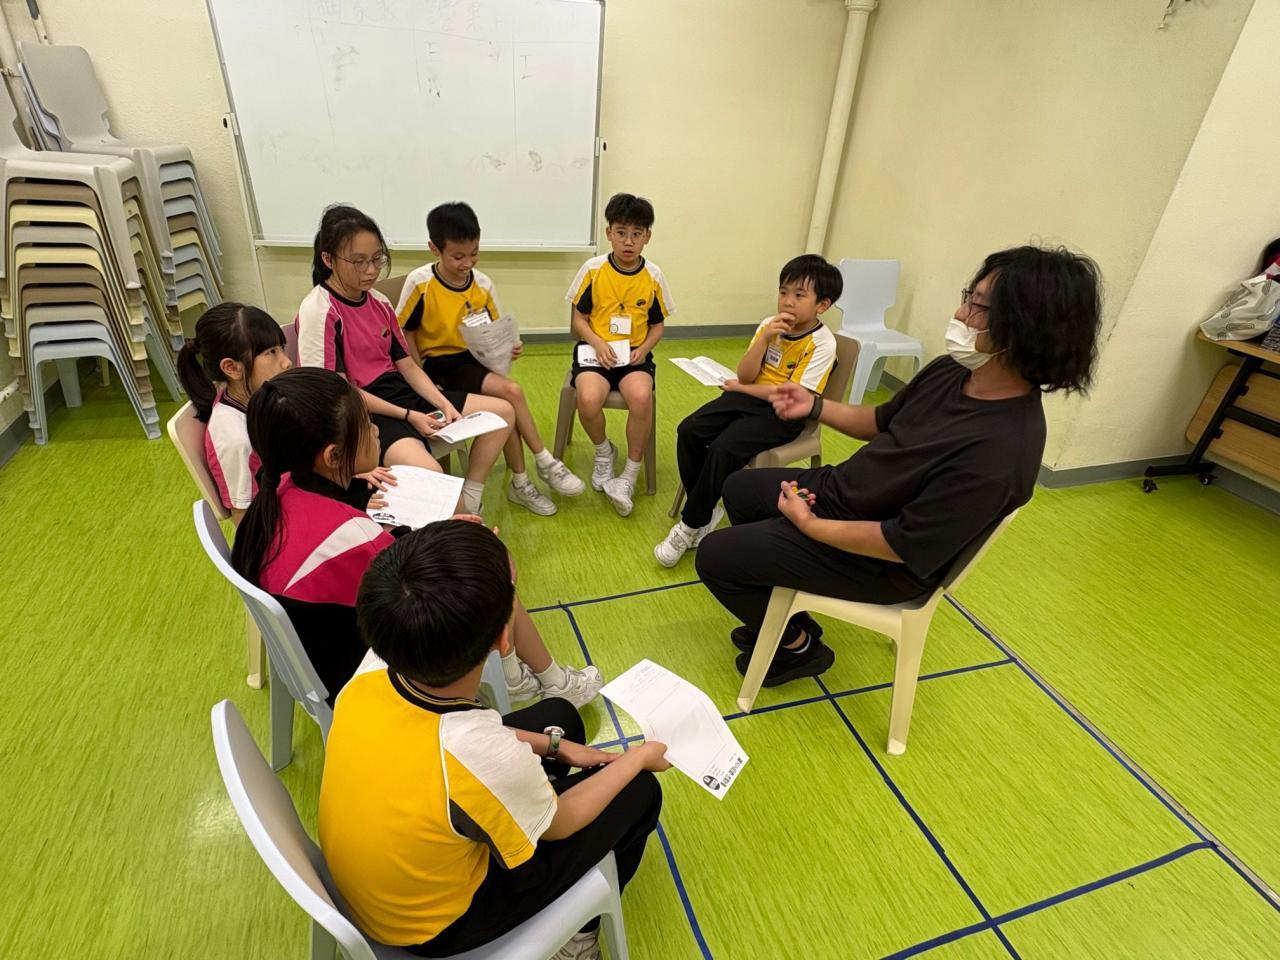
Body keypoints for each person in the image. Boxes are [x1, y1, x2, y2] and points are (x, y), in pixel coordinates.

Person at [695, 245, 1102, 686]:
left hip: (882, 561)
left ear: (1024, 328)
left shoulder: (1003, 449)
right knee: (739, 489)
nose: (961, 313)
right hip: (847, 492)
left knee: (716, 557)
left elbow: (901, 544)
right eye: (968, 296)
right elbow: (879, 421)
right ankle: (784, 614)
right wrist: (814, 405)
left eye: (978, 306)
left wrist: (810, 525)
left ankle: (798, 648)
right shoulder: (951, 372)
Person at [319, 520, 669, 958]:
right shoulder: (478, 755)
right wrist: (637, 758)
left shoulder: (376, 665)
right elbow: (560, 823)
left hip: (383, 882)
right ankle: (577, 938)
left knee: (561, 718)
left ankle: (536, 790)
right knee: (640, 792)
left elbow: (465, 743)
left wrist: (556, 746)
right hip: (436, 927)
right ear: (505, 639)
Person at [230, 367, 605, 706]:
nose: (376, 430)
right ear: (332, 456)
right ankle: (548, 679)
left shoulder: (279, 488)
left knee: (469, 546)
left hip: (323, 647)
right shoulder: (353, 537)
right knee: (494, 565)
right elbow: (414, 592)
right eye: (367, 423)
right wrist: (472, 548)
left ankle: (524, 675)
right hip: (370, 673)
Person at [296, 203, 514, 515]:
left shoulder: (379, 302)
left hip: (402, 394)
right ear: (328, 259)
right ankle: (460, 514)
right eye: (359, 262)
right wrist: (409, 415)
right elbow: (338, 394)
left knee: (503, 412)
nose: (371, 270)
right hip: (367, 413)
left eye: (377, 259)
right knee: (436, 480)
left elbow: (407, 364)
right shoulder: (320, 310)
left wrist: (442, 403)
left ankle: (472, 495)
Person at [396, 201, 585, 516]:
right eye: (458, 256)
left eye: (474, 254)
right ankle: (539, 467)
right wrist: (422, 379)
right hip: (435, 368)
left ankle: (531, 473)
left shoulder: (482, 284)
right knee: (510, 395)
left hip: (470, 361)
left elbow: (495, 331)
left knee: (510, 396)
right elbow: (406, 334)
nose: (467, 263)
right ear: (434, 249)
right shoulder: (421, 283)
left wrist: (510, 347)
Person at [655, 255, 841, 567]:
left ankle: (690, 524)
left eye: (799, 295)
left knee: (723, 448)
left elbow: (792, 395)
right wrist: (765, 338)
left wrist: (742, 389)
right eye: (783, 292)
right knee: (689, 430)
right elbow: (745, 375)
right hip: (749, 397)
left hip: (785, 412)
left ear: (822, 305)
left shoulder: (822, 343)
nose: (788, 301)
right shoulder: (770, 325)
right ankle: (707, 508)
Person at [566, 193, 675, 517]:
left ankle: (629, 474)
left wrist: (644, 350)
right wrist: (597, 342)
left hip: (633, 358)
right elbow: (577, 321)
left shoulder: (653, 276)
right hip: (594, 353)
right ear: (609, 233)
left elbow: (658, 326)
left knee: (641, 397)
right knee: (587, 399)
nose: (628, 241)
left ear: (647, 237)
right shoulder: (593, 269)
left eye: (636, 234)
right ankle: (604, 452)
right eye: (621, 232)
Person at [176, 302, 293, 524]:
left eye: (282, 348)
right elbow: (245, 523)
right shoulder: (235, 440)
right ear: (232, 368)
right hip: (285, 523)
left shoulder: (254, 395)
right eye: (271, 352)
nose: (287, 362)